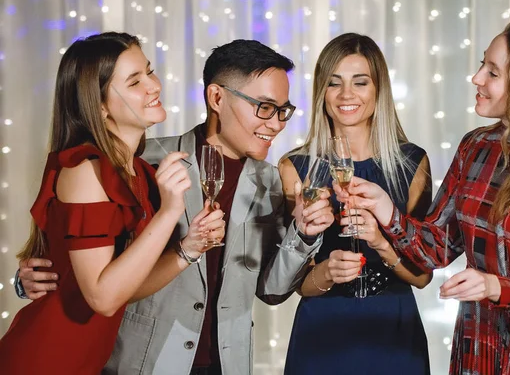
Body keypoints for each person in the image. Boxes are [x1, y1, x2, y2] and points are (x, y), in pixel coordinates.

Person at [17, 39, 334, 375]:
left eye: (283, 110)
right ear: (216, 98)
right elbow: (89, 266)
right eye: (265, 107)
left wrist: (302, 234)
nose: (277, 123)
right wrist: (27, 280)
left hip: (227, 364)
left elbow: (271, 291)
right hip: (142, 362)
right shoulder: (142, 163)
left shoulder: (270, 182)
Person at [337, 19, 510, 374]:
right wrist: (385, 209)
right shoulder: (475, 147)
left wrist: (493, 285)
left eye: (492, 72)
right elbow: (436, 248)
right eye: (482, 66)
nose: (477, 79)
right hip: (479, 341)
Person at [0, 32, 225, 374]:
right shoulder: (84, 170)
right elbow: (102, 299)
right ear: (100, 105)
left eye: (149, 72)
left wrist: (189, 248)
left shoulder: (136, 171)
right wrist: (169, 211)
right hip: (44, 359)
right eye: (135, 81)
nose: (154, 85)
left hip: (85, 363)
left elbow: (122, 288)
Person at [279, 33, 433, 374]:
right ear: (322, 94)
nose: (347, 95)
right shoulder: (295, 168)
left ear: (379, 90)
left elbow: (422, 276)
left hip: (393, 333)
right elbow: (290, 281)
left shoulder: (412, 163)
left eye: (360, 82)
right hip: (322, 335)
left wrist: (380, 243)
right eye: (335, 84)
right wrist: (327, 271)